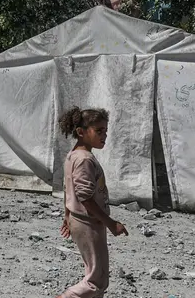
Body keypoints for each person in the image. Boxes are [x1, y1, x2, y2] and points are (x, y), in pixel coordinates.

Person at [56, 106, 128, 298]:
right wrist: (111, 223)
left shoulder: (74, 155)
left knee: (95, 274)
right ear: (81, 132)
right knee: (97, 279)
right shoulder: (84, 160)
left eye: (105, 130)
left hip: (80, 220)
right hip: (88, 222)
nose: (104, 135)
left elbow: (68, 190)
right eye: (98, 131)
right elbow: (85, 197)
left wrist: (67, 216)